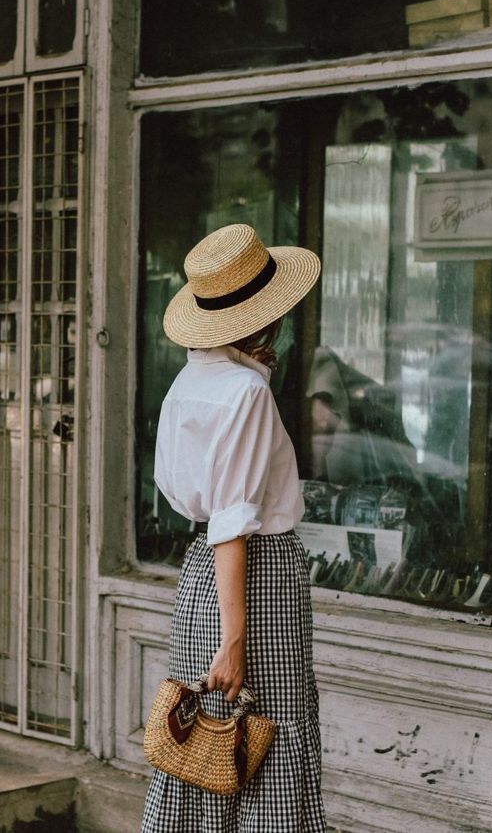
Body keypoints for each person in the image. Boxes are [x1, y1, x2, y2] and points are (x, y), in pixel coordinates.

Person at [140, 223, 327, 832]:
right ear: (262, 316)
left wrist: (252, 368)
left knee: (208, 745)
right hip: (252, 579)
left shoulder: (189, 385)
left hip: (203, 578)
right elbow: (233, 522)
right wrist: (236, 638)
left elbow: (204, 505)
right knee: (260, 737)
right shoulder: (245, 391)